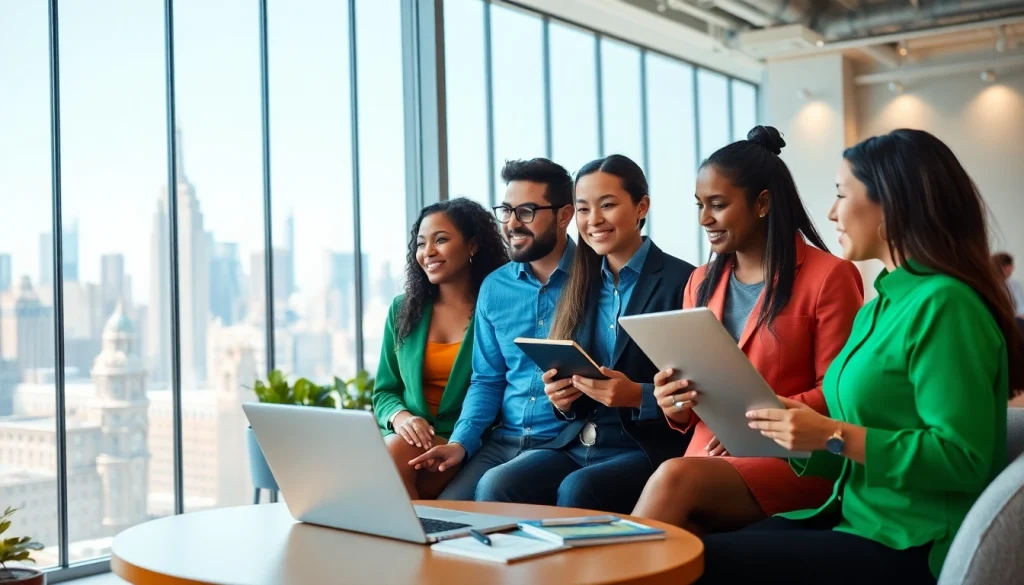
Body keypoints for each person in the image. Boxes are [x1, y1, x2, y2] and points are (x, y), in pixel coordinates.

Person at [698, 128, 1020, 585]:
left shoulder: (945, 304)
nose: (831, 212)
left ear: (891, 204)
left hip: (911, 541)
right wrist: (790, 432)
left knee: (701, 561)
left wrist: (830, 434)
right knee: (693, 543)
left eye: (841, 194)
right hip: (852, 517)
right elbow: (854, 441)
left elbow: (961, 459)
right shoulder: (878, 307)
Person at [631, 126, 864, 534]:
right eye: (700, 205)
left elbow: (838, 393)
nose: (705, 219)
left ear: (762, 203)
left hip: (792, 456)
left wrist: (750, 422)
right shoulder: (699, 282)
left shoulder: (829, 277)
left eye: (718, 205)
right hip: (709, 454)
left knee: (673, 481)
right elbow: (692, 394)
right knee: (679, 517)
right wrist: (673, 401)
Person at [468, 155, 695, 513]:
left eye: (607, 205)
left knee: (579, 488)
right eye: (585, 209)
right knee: (497, 483)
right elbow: (566, 386)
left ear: (641, 207)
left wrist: (637, 396)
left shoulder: (682, 281)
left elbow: (697, 390)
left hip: (643, 445)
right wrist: (561, 400)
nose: (594, 220)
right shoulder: (579, 282)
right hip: (578, 442)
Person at [408, 158, 578, 501]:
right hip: (503, 441)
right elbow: (487, 380)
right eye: (506, 211)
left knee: (493, 489)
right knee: (444, 515)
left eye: (526, 211)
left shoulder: (596, 279)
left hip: (565, 444)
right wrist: (460, 443)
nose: (512, 223)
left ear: (564, 216)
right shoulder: (495, 287)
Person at [371, 197, 508, 499]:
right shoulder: (403, 310)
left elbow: (498, 386)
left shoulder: (495, 309)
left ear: (472, 245)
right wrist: (402, 418)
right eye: (421, 244)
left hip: (466, 443)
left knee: (392, 464)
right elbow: (384, 391)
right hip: (405, 439)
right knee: (393, 452)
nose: (428, 252)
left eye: (441, 240)